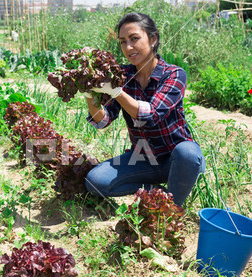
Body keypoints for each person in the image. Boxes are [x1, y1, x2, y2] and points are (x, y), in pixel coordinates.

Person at [84, 12, 206, 207]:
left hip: (177, 159)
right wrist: (91, 95)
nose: (128, 47)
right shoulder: (121, 76)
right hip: (142, 158)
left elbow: (151, 114)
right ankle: (157, 192)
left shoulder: (174, 74)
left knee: (188, 153)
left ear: (153, 38)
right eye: (123, 42)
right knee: (95, 181)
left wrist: (116, 92)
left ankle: (170, 208)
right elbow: (103, 120)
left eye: (134, 39)